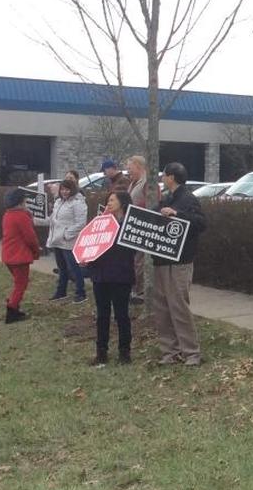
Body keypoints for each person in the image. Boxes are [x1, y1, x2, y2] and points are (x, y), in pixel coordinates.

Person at [152, 162, 207, 366]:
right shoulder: (167, 198)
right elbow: (152, 217)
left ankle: (191, 353)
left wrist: (177, 215)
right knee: (162, 308)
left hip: (180, 261)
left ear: (171, 177)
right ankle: (170, 352)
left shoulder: (188, 199)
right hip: (161, 260)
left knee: (178, 306)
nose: (162, 179)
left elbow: (201, 223)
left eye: (164, 176)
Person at [82, 191, 136, 365]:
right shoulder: (100, 223)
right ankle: (101, 352)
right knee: (102, 315)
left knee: (121, 315)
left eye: (113, 200)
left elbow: (131, 250)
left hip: (121, 275)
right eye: (108, 200)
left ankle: (124, 352)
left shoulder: (129, 225)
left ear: (123, 203)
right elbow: (90, 243)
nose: (109, 203)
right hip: (100, 274)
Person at [46, 177, 88, 303]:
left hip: (69, 241)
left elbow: (81, 223)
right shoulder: (59, 202)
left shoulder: (78, 203)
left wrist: (66, 234)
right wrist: (37, 220)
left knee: (74, 268)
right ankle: (61, 291)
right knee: (62, 268)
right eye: (62, 189)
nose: (64, 192)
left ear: (73, 190)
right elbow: (52, 219)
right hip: (57, 240)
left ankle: (81, 292)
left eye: (67, 189)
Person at [1, 188, 40, 324]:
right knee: (21, 284)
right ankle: (12, 310)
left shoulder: (7, 215)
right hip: (19, 256)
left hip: (8, 255)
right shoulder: (21, 216)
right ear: (20, 201)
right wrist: (36, 251)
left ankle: (13, 303)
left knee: (18, 282)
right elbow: (30, 238)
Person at [125, 155, 152, 303]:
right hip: (132, 227)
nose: (128, 171)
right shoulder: (133, 183)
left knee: (139, 260)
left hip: (142, 227)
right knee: (134, 260)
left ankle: (140, 291)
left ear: (139, 166)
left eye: (130, 168)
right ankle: (134, 289)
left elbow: (152, 204)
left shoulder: (146, 183)